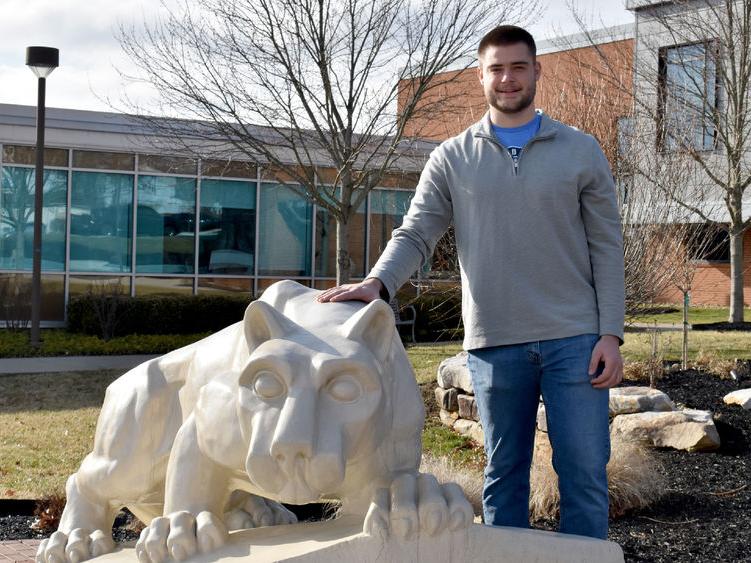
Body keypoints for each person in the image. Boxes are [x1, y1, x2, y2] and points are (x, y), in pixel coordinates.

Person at [317, 25, 624, 540]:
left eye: (518, 66)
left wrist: (610, 333)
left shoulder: (581, 150)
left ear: (536, 71)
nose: (508, 78)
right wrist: (377, 283)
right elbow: (416, 233)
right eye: (496, 68)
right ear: (480, 76)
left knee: (585, 478)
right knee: (503, 479)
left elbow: (606, 245)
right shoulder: (451, 158)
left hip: (576, 338)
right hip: (494, 344)